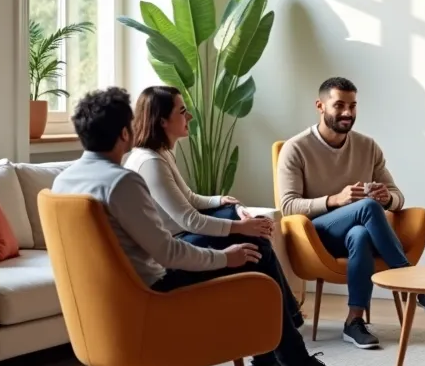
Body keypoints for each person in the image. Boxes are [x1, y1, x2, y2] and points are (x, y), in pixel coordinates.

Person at [52, 87, 356, 366]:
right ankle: (294, 364)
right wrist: (227, 258)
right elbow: (168, 253)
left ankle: (269, 364)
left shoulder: (62, 182)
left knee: (250, 251)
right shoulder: (123, 182)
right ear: (124, 134)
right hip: (151, 293)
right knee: (253, 257)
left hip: (105, 300)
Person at [276, 76, 425, 350]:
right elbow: (288, 206)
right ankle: (409, 281)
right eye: (339, 105)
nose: (347, 112)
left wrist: (387, 198)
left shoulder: (367, 146)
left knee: (360, 234)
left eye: (353, 106)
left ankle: (354, 321)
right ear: (320, 106)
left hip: (357, 231)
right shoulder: (296, 148)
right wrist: (335, 199)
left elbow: (398, 197)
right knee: (366, 207)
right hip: (316, 236)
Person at [123, 85, 304, 326]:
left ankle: (286, 320)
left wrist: (220, 200)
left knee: (238, 219)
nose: (189, 116)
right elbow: (190, 220)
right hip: (170, 251)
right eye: (182, 110)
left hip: (182, 236)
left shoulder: (161, 153)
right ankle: (288, 319)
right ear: (163, 121)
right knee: (255, 245)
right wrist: (243, 228)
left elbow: (188, 197)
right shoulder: (150, 163)